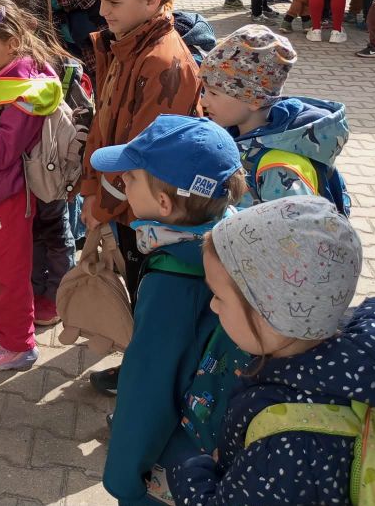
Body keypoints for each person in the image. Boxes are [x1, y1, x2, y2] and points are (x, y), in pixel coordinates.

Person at [170, 197, 375, 506]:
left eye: (218, 296)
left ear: (270, 314)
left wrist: (190, 472)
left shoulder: (287, 448)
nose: (214, 307)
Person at [91, 116, 247, 506]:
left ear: (163, 203)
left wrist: (124, 478)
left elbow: (148, 389)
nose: (123, 181)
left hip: (175, 461)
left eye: (131, 177)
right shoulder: (227, 235)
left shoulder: (172, 281)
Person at [79, 0, 202, 395]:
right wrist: (91, 189)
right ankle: (140, 365)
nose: (103, 11)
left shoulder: (161, 63)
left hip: (148, 208)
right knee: (138, 287)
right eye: (101, 0)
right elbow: (105, 125)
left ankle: (148, 381)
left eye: (113, 2)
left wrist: (101, 206)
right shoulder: (125, 45)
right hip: (128, 204)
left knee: (150, 295)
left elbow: (140, 155)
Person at [0, 0, 63, 370]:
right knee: (0, 267)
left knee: (10, 274)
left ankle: (19, 345)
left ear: (13, 44)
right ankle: (8, 325)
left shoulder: (21, 92)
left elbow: (2, 152)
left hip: (8, 196)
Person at [0, 0, 92, 326]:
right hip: (17, 170)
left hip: (51, 172)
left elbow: (84, 115)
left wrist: (73, 169)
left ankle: (59, 296)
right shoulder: (0, 65)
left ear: (27, 24)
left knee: (56, 234)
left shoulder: (64, 67)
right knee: (30, 232)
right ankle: (36, 288)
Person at [199, 25, 350, 212]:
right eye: (204, 91)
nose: (203, 101)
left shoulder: (279, 169)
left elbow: (295, 227)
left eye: (213, 93)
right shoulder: (233, 133)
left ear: (254, 100)